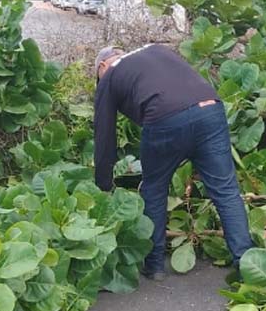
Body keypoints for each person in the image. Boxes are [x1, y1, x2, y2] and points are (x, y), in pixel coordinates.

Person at [92, 44, 254, 281]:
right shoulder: (156, 50)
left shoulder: (110, 74)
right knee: (226, 191)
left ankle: (155, 265)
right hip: (210, 108)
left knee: (154, 189)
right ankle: (247, 265)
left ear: (103, 65)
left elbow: (104, 135)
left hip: (163, 117)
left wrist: (103, 186)